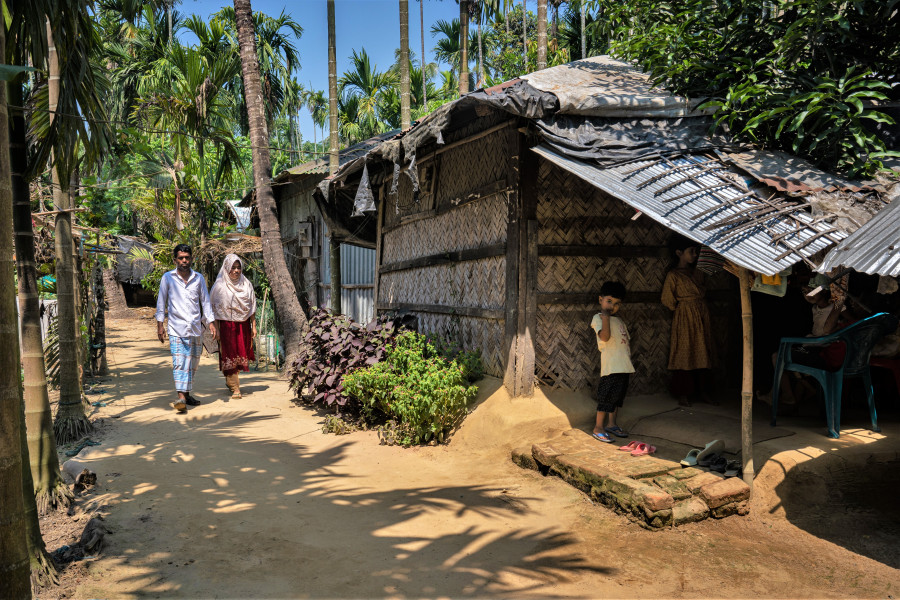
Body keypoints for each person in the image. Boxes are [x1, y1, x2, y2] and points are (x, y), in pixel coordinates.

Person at [156, 244, 217, 412]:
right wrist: (160, 325)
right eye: (181, 258)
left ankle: (187, 393)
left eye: (187, 258)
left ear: (191, 259)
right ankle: (181, 398)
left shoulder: (198, 278)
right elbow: (161, 302)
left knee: (193, 363)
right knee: (180, 362)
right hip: (176, 328)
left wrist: (211, 322)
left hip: (195, 328)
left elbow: (205, 301)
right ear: (175, 260)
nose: (184, 261)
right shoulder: (167, 278)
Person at [661, 236, 714, 406]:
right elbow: (667, 299)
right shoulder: (673, 275)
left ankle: (703, 391)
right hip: (684, 316)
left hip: (701, 313)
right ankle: (683, 393)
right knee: (685, 352)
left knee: (703, 351)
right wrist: (683, 308)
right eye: (691, 251)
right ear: (679, 253)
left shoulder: (697, 272)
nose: (695, 255)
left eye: (696, 252)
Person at [590, 281, 635, 443]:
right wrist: (606, 317)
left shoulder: (619, 321)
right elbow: (605, 337)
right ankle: (598, 427)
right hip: (611, 366)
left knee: (616, 398)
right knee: (606, 397)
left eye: (617, 303)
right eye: (609, 301)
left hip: (623, 366)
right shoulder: (598, 318)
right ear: (600, 300)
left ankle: (611, 424)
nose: (612, 306)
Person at [210, 254, 257, 399]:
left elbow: (252, 307)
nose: (236, 271)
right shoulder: (219, 287)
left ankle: (230, 381)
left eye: (238, 268)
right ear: (226, 269)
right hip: (225, 326)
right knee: (229, 354)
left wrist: (253, 326)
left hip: (243, 325)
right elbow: (213, 310)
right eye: (233, 268)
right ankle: (235, 387)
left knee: (239, 353)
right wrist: (215, 328)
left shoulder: (246, 284)